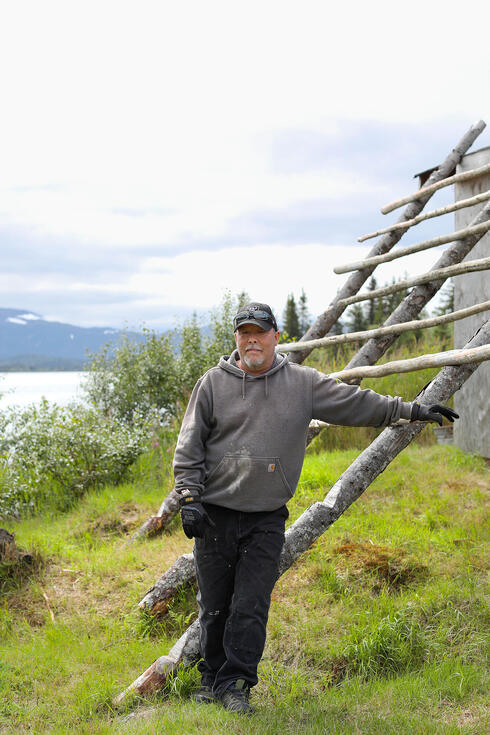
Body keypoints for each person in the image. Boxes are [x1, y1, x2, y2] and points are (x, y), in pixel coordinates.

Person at [172, 301, 458, 714]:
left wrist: (412, 409)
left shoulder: (302, 384)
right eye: (244, 333)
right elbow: (189, 446)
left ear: (275, 336)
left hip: (265, 518)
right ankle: (210, 678)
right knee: (214, 606)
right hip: (214, 515)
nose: (252, 340)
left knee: (250, 605)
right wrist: (189, 498)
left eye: (259, 332)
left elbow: (356, 402)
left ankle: (236, 685)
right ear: (237, 338)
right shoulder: (212, 384)